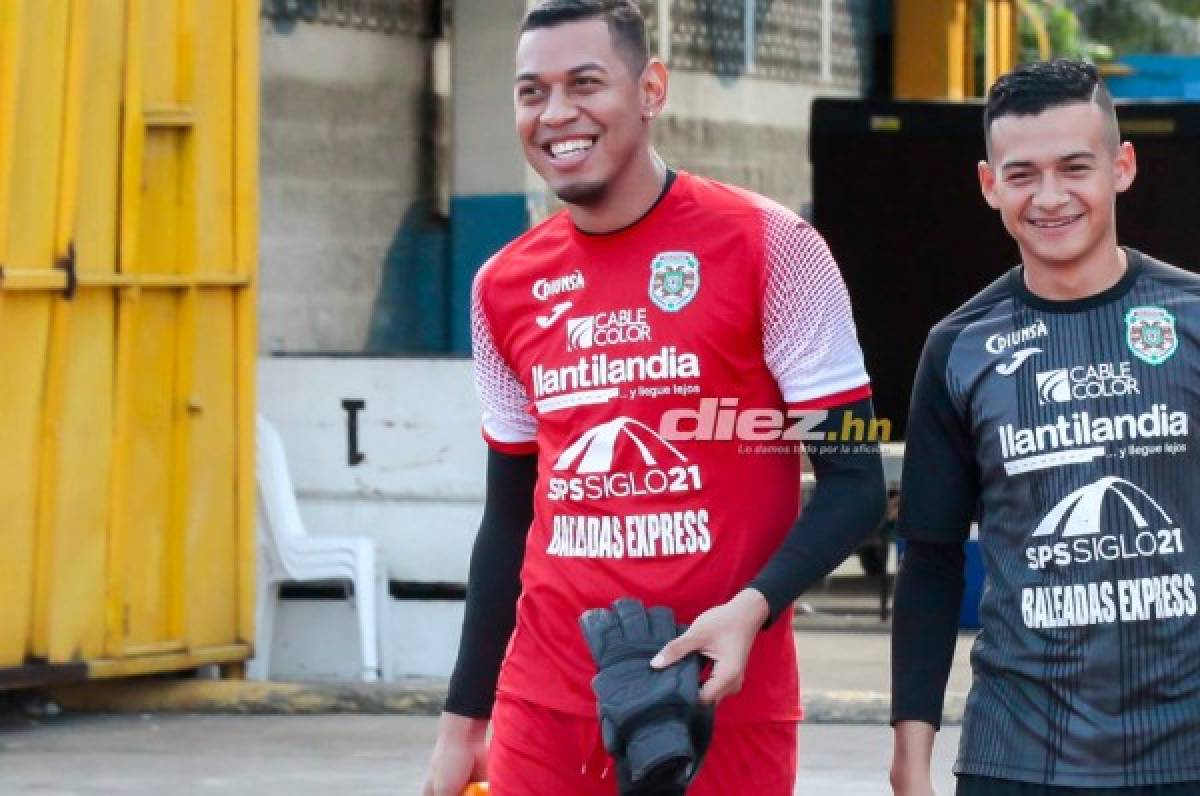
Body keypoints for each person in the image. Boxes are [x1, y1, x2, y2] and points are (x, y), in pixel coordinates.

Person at [422, 2, 885, 794]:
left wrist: (753, 607)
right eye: (532, 92)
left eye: (585, 83)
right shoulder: (501, 286)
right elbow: (509, 520)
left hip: (719, 701)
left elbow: (855, 482)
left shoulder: (771, 247)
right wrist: (462, 724)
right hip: (544, 706)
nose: (555, 113)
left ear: (651, 89)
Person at [890, 59, 1200, 796]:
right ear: (989, 184)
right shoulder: (958, 348)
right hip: (1017, 756)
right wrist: (910, 756)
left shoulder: (1191, 320)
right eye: (1023, 174)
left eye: (1075, 168)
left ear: (1122, 167)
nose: (1051, 197)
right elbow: (930, 559)